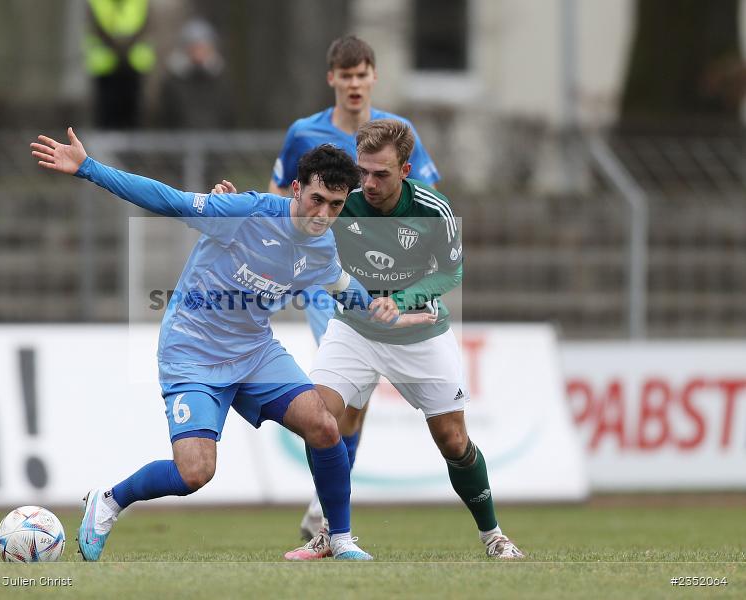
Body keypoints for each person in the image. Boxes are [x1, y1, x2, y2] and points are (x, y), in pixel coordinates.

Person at [29, 128, 435, 562]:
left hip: (255, 352)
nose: (323, 214)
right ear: (296, 188)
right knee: (195, 472)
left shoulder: (322, 247)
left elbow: (343, 288)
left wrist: (387, 310)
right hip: (191, 350)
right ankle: (110, 501)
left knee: (324, 425)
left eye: (335, 205)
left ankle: (339, 538)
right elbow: (168, 200)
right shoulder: (245, 211)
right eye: (316, 199)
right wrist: (89, 168)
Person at [215, 119, 524, 560]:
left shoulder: (433, 210)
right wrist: (233, 208)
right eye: (363, 171)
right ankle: (330, 531)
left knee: (453, 441)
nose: (369, 183)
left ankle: (493, 535)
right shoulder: (346, 203)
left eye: (381, 173)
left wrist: (401, 301)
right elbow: (290, 220)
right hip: (354, 330)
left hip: (419, 333)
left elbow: (450, 273)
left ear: (406, 170)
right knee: (319, 419)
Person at [268, 34, 441, 541]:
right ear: (333, 80)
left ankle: (323, 506)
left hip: (377, 279)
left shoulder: (397, 132)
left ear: (373, 77)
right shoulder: (304, 133)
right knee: (346, 379)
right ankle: (330, 511)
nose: (354, 84)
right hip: (324, 278)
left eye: (362, 74)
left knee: (357, 396)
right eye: (345, 76)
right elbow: (279, 195)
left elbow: (426, 197)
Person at [85, 0, 155, 129]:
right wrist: (121, 48)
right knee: (107, 113)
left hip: (133, 64)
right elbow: (95, 26)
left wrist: (120, 48)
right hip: (106, 66)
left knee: (132, 114)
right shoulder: (97, 3)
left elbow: (146, 25)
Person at [158, 18, 235, 129]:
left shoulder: (221, 81)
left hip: (215, 138)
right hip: (181, 138)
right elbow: (164, 118)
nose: (199, 53)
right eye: (194, 47)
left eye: (203, 47)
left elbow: (228, 116)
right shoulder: (172, 83)